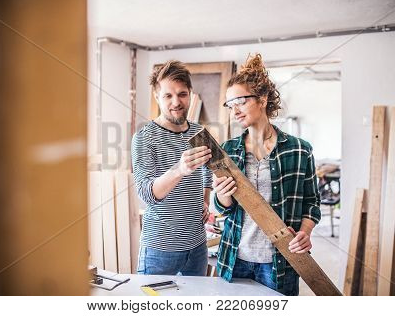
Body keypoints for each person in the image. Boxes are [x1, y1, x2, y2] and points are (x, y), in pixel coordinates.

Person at [212, 54, 321, 295]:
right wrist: (222, 196)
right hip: (235, 259)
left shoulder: (299, 149)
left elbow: (312, 203)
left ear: (262, 99)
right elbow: (222, 209)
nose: (235, 111)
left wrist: (305, 232)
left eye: (240, 101)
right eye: (230, 105)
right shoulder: (228, 150)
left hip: (280, 261)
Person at [131, 60, 213, 276]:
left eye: (182, 94)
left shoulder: (198, 132)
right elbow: (146, 193)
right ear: (157, 97)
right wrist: (179, 169)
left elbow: (208, 170)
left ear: (190, 94)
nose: (176, 102)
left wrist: (205, 199)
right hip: (160, 247)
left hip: (197, 245)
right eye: (168, 95)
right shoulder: (144, 136)